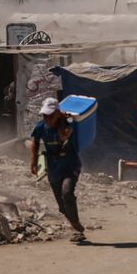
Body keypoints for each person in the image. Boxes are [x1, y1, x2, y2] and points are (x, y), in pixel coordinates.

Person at [30, 97, 86, 243]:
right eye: (45, 115)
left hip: (71, 166)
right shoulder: (40, 127)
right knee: (62, 207)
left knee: (67, 193)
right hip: (54, 168)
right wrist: (34, 162)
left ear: (58, 113)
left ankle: (76, 228)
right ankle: (74, 223)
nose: (47, 119)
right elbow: (35, 142)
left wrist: (66, 121)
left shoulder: (68, 124)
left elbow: (68, 132)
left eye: (51, 115)